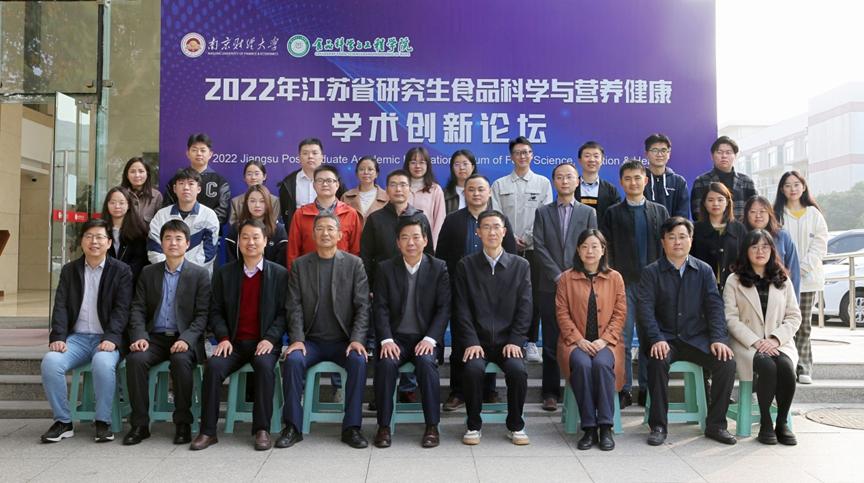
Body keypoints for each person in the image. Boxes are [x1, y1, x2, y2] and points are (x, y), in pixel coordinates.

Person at [638, 217, 738, 446]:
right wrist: (656, 338)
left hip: (696, 339)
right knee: (657, 361)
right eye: (671, 237)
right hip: (665, 340)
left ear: (691, 240)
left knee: (726, 362)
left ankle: (716, 425)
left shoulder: (703, 270)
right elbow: (645, 311)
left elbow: (714, 307)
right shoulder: (651, 272)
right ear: (663, 241)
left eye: (682, 237)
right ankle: (658, 426)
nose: (677, 242)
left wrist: (719, 339)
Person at [190, 219, 288, 451]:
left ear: (265, 241)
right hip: (233, 343)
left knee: (264, 366)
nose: (250, 242)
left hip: (264, 342)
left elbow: (285, 313)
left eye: (255, 237)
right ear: (238, 242)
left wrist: (270, 339)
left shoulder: (280, 274)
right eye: (245, 237)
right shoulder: (225, 273)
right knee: (214, 367)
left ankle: (261, 429)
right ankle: (208, 431)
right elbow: (215, 311)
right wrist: (223, 338)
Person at [278, 213, 370, 449]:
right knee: (293, 360)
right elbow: (294, 306)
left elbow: (363, 307)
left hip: (343, 341)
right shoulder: (300, 265)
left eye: (330, 229)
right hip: (311, 342)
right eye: (320, 229)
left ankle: (352, 428)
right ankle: (292, 427)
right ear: (313, 234)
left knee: (359, 360)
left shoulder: (354, 264)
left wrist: (357, 339)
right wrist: (297, 339)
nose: (325, 233)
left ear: (340, 235)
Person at [39, 219, 132, 443]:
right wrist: (58, 337)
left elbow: (122, 309)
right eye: (89, 236)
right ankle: (63, 421)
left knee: (102, 363)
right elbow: (60, 306)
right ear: (81, 241)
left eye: (100, 237)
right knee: (50, 362)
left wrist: (112, 338)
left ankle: (102, 422)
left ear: (109, 242)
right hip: (77, 339)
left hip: (106, 339)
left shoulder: (121, 271)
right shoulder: (70, 270)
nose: (94, 242)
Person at [123, 220, 210, 446]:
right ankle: (140, 425)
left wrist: (186, 339)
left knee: (181, 361)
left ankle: (183, 423)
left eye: (178, 239)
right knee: (135, 360)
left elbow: (202, 316)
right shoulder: (148, 272)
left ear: (188, 244)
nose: (173, 243)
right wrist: (139, 336)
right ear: (161, 243)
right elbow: (137, 308)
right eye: (168, 238)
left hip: (184, 338)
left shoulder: (199, 275)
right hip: (154, 338)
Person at [436, 174, 517, 411]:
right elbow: (442, 257)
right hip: (461, 290)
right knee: (461, 341)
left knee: (490, 337)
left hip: (494, 292)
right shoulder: (453, 220)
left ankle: (489, 391)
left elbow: (511, 256)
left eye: (481, 189)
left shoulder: (499, 220)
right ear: (465, 193)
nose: (476, 194)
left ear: (489, 192)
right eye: (471, 189)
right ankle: (457, 392)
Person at [454, 210, 532, 446]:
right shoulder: (466, 265)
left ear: (504, 231)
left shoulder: (520, 265)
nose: (492, 232)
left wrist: (516, 340)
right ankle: (473, 425)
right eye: (486, 227)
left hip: (508, 341)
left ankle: (516, 425)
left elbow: (525, 307)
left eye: (496, 227)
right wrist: (471, 341)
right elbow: (461, 308)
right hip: (478, 342)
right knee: (473, 369)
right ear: (478, 232)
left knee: (517, 371)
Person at [371, 217, 450, 448]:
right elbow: (380, 308)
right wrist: (386, 340)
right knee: (386, 363)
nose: (411, 243)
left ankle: (432, 426)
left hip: (425, 338)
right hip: (395, 338)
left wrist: (430, 339)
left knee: (426, 363)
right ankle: (384, 426)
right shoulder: (386, 268)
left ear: (425, 240)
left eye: (416, 237)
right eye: (405, 238)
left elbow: (444, 308)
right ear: (398, 243)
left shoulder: (438, 268)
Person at [601, 161, 669, 408]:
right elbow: (606, 249)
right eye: (628, 178)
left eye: (637, 178)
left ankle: (647, 389)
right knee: (623, 338)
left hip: (653, 285)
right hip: (624, 284)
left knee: (650, 336)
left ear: (646, 180)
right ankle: (624, 388)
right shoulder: (612, 213)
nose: (633, 183)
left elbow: (667, 247)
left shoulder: (660, 211)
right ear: (621, 182)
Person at [724, 229, 801, 445]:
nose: (760, 251)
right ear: (746, 251)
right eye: (755, 247)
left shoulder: (783, 279)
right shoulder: (734, 280)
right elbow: (731, 319)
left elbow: (794, 316)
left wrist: (775, 339)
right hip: (747, 343)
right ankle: (766, 422)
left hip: (778, 342)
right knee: (767, 367)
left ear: (772, 250)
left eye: (765, 247)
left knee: (786, 368)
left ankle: (782, 422)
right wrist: (757, 342)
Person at [532, 162, 597, 411]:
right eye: (559, 177)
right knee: (550, 340)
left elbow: (591, 247)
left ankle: (578, 388)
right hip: (550, 286)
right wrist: (558, 276)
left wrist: (573, 275)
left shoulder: (588, 212)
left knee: (579, 337)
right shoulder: (542, 212)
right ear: (554, 182)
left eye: (569, 177)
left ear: (577, 181)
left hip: (580, 285)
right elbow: (539, 246)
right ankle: (550, 392)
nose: (565, 181)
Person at [555, 229, 626, 451]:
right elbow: (562, 313)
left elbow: (620, 313)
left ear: (603, 250)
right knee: (583, 364)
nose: (590, 251)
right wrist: (579, 340)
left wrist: (604, 340)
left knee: (602, 364)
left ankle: (605, 426)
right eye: (585, 246)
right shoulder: (566, 278)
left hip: (607, 343)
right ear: (578, 250)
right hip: (575, 343)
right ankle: (589, 428)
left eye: (595, 246)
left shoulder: (615, 278)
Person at [491, 136, 554, 364]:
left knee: (533, 296)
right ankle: (506, 339)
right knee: (506, 296)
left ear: (532, 155)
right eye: (518, 153)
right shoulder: (499, 185)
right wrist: (509, 238)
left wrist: (526, 238)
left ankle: (531, 342)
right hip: (505, 251)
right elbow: (496, 215)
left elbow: (544, 215)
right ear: (511, 157)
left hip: (534, 249)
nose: (522, 156)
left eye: (526, 152)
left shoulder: (543, 183)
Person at [774, 171, 827, 385]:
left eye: (796, 184)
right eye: (788, 185)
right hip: (780, 279)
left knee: (803, 324)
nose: (793, 189)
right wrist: (784, 270)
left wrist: (801, 268)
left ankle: (804, 366)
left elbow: (820, 245)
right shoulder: (777, 214)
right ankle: (784, 365)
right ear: (782, 189)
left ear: (803, 187)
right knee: (780, 323)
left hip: (808, 280)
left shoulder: (814, 214)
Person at [360, 169, 435, 291]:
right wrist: (368, 287)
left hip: (416, 283)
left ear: (409, 189)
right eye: (393, 185)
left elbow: (429, 253)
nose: (398, 189)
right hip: (382, 284)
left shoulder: (420, 218)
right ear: (387, 190)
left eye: (403, 185)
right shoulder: (375, 219)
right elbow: (366, 256)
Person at [286, 165, 361, 269]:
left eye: (329, 180)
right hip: (308, 271)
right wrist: (294, 275)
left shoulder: (350, 213)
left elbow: (355, 250)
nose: (325, 184)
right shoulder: (301, 214)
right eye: (320, 180)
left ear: (337, 185)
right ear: (314, 185)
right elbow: (293, 251)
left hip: (342, 272)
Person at [148, 168, 220, 275]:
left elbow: (209, 251)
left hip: (197, 276)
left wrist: (185, 270)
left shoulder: (209, 215)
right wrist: (170, 268)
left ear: (199, 189)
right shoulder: (161, 215)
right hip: (165, 274)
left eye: (191, 184)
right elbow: (154, 248)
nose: (186, 188)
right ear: (174, 188)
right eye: (181, 183)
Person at [278, 138, 345, 232]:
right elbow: (285, 213)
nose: (310, 156)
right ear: (299, 158)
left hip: (329, 233)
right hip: (299, 232)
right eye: (305, 153)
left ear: (322, 157)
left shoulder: (334, 180)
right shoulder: (288, 183)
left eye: (314, 153)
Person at [164, 133, 231, 225]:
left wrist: (200, 227)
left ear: (210, 154)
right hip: (178, 230)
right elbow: (167, 208)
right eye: (194, 150)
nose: (199, 153)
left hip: (209, 231)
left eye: (203, 150)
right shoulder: (176, 180)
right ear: (188, 153)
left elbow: (222, 213)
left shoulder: (221, 182)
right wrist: (182, 228)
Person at [691, 182, 747, 291]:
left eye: (720, 200)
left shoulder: (739, 228)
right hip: (702, 287)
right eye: (710, 200)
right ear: (704, 203)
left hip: (733, 287)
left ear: (727, 202)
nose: (715, 204)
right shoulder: (695, 229)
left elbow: (745, 258)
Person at [743, 196, 801, 297]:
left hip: (779, 293)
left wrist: (794, 301)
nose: (758, 215)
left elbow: (794, 271)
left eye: (762, 211)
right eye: (753, 212)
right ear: (746, 214)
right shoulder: (741, 236)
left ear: (769, 213)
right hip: (748, 293)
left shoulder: (782, 236)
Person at [690, 136, 757, 220]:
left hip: (741, 228)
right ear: (712, 156)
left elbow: (755, 210)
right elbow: (697, 213)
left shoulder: (746, 181)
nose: (724, 156)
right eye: (719, 152)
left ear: (735, 155)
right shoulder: (701, 181)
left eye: (728, 152)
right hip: (711, 228)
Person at [225, 185, 288, 266]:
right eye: (252, 201)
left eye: (262, 201)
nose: (257, 205)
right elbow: (230, 262)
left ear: (268, 203)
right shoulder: (236, 228)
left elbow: (281, 265)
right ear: (246, 203)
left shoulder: (278, 230)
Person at [101, 186, 149, 285]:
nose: (117, 206)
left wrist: (121, 280)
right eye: (112, 202)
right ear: (107, 205)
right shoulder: (100, 230)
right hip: (104, 283)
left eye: (121, 203)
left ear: (129, 205)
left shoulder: (139, 232)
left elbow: (138, 263)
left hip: (129, 284)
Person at [403, 146, 446, 244]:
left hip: (426, 244)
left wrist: (433, 246)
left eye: (422, 162)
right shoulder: (400, 188)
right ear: (407, 165)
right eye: (413, 162)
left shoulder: (435, 190)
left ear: (427, 165)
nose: (417, 166)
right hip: (401, 243)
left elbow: (439, 222)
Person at [643, 134, 690, 218]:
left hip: (673, 226)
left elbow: (682, 215)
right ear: (646, 154)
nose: (659, 154)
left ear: (669, 154)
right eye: (655, 150)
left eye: (664, 150)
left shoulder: (679, 182)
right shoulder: (640, 180)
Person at [574, 141, 621, 221]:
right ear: (580, 160)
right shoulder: (571, 187)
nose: (592, 160)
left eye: (596, 156)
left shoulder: (611, 190)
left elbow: (616, 218)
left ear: (602, 160)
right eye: (587, 156)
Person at [229, 159, 281, 226]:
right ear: (244, 178)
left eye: (257, 174)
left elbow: (273, 225)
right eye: (249, 174)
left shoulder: (274, 201)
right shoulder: (236, 202)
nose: (253, 177)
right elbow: (233, 227)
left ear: (264, 176)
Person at [341, 156, 388, 226]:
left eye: (370, 169)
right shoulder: (346, 197)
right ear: (357, 174)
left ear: (376, 174)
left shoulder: (387, 197)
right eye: (362, 169)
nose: (366, 172)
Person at [121, 156, 163, 225]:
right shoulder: (119, 194)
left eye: (141, 171)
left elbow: (160, 224)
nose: (137, 175)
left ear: (147, 174)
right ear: (127, 175)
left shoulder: (156, 196)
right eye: (132, 172)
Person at [443, 149, 478, 214]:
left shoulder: (481, 193)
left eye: (465, 164)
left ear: (472, 167)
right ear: (452, 168)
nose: (461, 167)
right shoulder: (444, 194)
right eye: (457, 164)